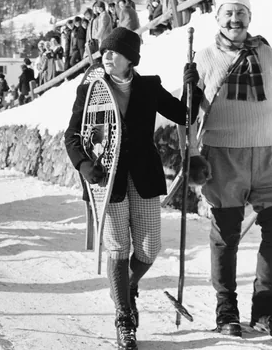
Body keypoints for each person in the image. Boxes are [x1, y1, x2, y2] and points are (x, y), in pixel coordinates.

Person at [64, 27, 201, 350]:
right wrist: (86, 167)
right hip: (106, 179)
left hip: (144, 175)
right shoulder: (92, 88)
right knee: (118, 248)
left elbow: (184, 115)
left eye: (114, 51)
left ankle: (126, 288)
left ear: (131, 58)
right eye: (104, 51)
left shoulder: (149, 86)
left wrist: (191, 86)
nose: (106, 56)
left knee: (150, 248)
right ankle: (124, 317)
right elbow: (72, 136)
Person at [182, 0, 272, 339]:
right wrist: (191, 153)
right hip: (223, 158)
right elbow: (188, 118)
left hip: (270, 156)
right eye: (228, 13)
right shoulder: (204, 59)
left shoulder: (267, 55)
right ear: (217, 17)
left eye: (241, 12)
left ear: (249, 16)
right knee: (226, 236)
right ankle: (227, 309)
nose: (235, 19)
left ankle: (265, 308)